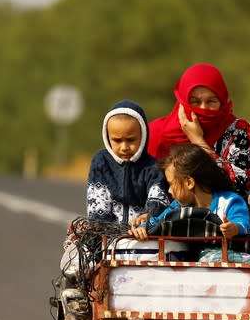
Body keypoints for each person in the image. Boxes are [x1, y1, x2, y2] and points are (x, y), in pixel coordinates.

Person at [60, 99, 169, 279]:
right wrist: (108, 233)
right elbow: (97, 206)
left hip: (142, 235)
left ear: (144, 136)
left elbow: (158, 201)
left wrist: (146, 221)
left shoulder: (153, 167)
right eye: (117, 140)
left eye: (131, 140)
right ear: (107, 137)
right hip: (106, 235)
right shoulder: (101, 162)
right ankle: (77, 294)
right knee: (77, 258)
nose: (124, 147)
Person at [146, 62, 250, 202]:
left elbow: (241, 187)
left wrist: (198, 142)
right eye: (195, 101)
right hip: (167, 218)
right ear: (182, 101)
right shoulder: (156, 133)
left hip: (226, 217)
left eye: (211, 101)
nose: (203, 108)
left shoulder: (238, 130)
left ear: (222, 101)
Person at [130, 142, 250, 240]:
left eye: (172, 184)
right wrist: (142, 227)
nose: (170, 190)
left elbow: (244, 223)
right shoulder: (177, 207)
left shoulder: (229, 201)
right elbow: (156, 222)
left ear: (189, 182)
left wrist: (234, 228)